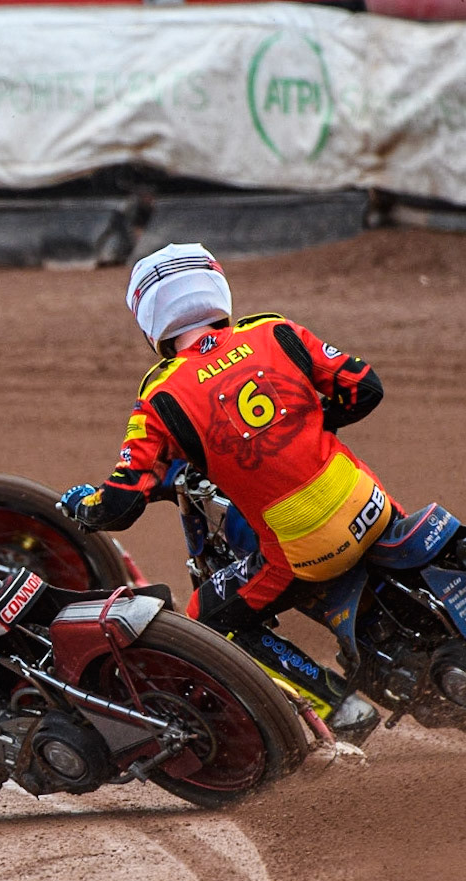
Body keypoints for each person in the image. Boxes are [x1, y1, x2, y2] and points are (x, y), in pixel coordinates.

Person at [59, 242, 395, 744]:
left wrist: (81, 506)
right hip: (375, 505)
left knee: (207, 620)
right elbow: (364, 388)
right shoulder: (275, 331)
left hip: (305, 549)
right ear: (216, 286)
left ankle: (340, 706)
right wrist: (303, 428)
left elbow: (123, 501)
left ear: (148, 314)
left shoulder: (161, 394)